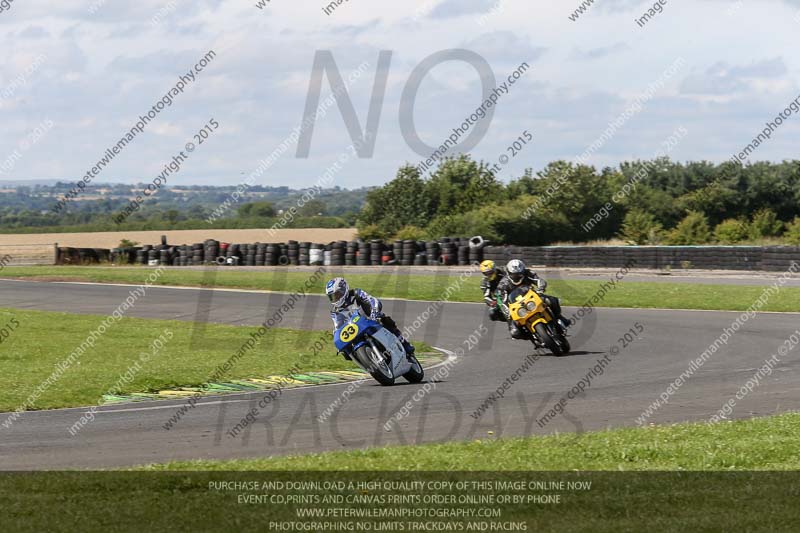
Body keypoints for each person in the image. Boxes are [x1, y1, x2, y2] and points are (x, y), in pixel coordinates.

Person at [325, 277, 415, 357]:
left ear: (344, 290)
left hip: (371, 319)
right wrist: (340, 342)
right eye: (332, 297)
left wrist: (374, 311)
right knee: (347, 352)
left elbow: (372, 300)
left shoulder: (356, 294)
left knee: (385, 321)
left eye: (337, 295)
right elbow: (337, 328)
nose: (335, 299)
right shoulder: (335, 311)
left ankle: (405, 344)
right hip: (356, 330)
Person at [497, 259, 571, 339]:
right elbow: (500, 298)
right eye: (514, 274)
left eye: (519, 274)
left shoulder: (528, 273)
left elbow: (539, 280)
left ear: (523, 271)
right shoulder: (503, 283)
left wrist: (541, 288)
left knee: (552, 301)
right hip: (516, 305)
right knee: (515, 332)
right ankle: (530, 336)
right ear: (508, 272)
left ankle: (559, 317)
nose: (517, 276)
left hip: (532, 297)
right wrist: (505, 308)